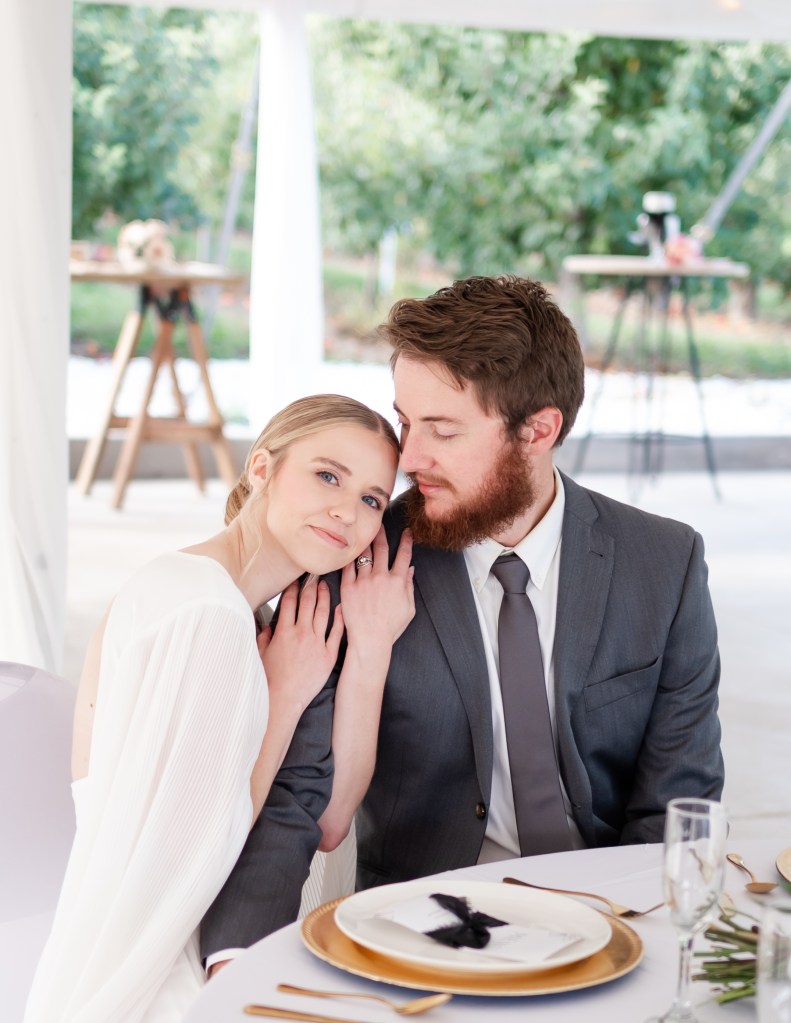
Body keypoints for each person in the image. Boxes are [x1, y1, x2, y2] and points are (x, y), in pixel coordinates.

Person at [201, 275, 723, 965]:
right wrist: (233, 962)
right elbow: (294, 800)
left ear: (538, 431)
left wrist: (645, 948)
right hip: (418, 928)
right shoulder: (356, 554)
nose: (408, 459)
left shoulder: (664, 563)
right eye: (405, 421)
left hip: (610, 922)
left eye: (442, 430)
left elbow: (678, 799)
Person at [24, 395, 414, 1023]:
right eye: (327, 474)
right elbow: (195, 850)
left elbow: (333, 818)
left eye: (373, 498)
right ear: (261, 468)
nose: (348, 509)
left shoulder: (224, 603)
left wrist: (369, 651)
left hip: (125, 945)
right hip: (158, 977)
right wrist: (282, 700)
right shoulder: (208, 614)